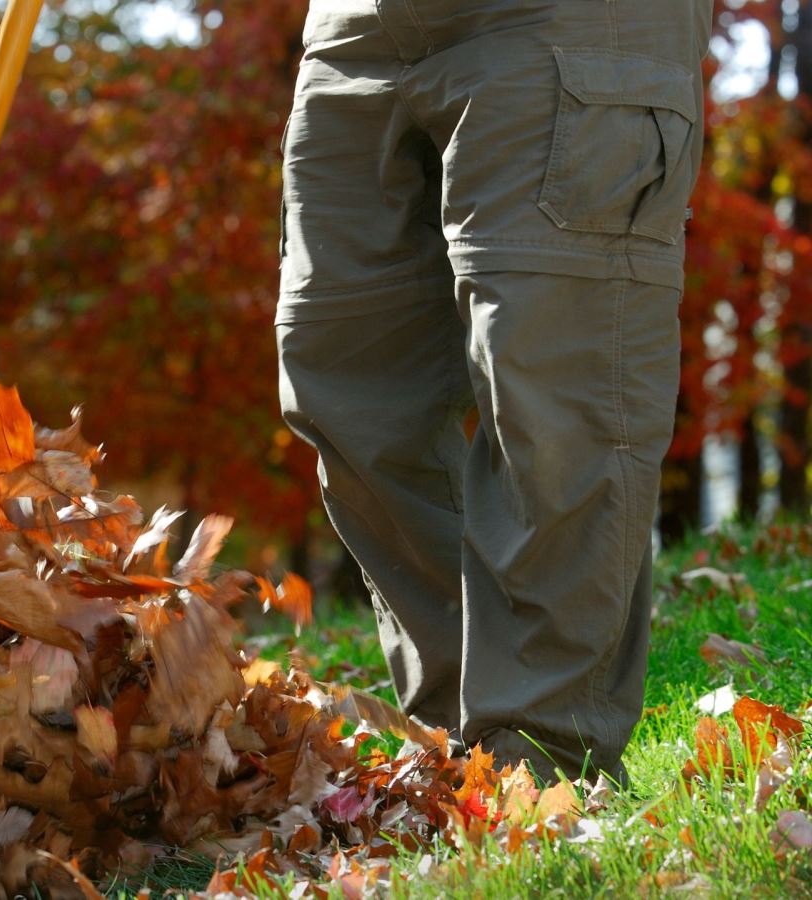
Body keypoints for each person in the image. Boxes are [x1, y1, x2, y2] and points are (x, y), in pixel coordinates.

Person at [276, 0, 709, 784]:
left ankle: (538, 769)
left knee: (553, 397)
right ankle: (455, 753)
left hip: (559, 17)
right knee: (342, 370)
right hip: (356, 24)